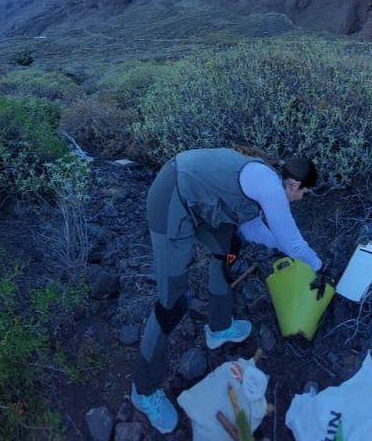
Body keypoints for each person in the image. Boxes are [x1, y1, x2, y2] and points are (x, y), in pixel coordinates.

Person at [130, 146, 324, 433]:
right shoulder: (270, 187)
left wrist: (289, 255)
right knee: (172, 303)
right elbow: (291, 241)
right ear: (294, 185)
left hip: (195, 198)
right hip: (170, 196)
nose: (300, 199)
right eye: (303, 193)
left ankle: (218, 328)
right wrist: (319, 267)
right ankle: (143, 391)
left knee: (227, 248)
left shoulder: (264, 183)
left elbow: (256, 230)